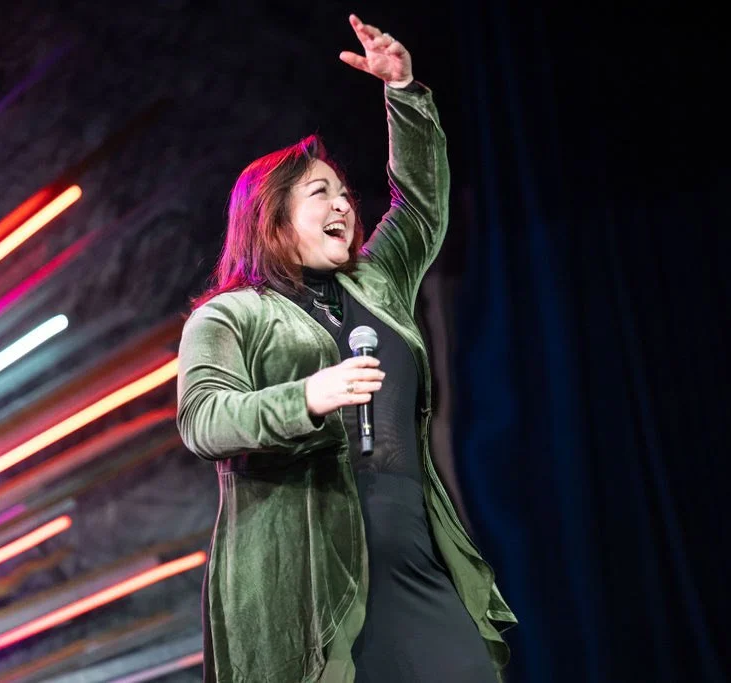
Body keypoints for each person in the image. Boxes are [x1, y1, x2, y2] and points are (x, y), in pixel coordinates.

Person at [177, 14, 517, 682]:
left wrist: (404, 93)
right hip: (307, 572)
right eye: (320, 193)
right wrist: (306, 396)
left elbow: (420, 208)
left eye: (344, 194)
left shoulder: (375, 282)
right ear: (271, 217)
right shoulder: (230, 314)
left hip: (411, 548)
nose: (343, 205)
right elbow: (204, 419)